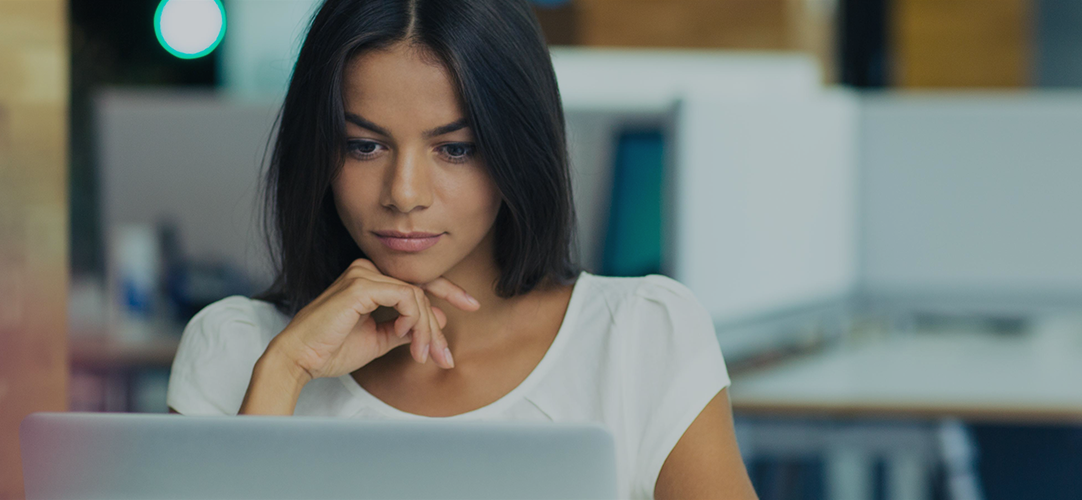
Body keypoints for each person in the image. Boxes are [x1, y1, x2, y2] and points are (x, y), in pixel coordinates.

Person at [166, 0, 756, 498]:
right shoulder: (237, 349)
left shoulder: (641, 339)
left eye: (455, 149)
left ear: (515, 151)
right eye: (365, 146)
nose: (404, 194)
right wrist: (284, 373)